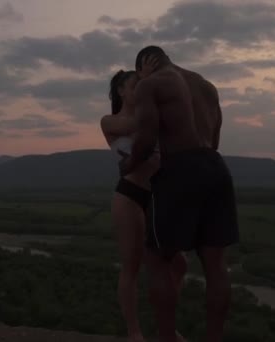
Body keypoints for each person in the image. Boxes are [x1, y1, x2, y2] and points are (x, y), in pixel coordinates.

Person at [119, 46, 239, 342]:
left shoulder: (152, 84)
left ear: (144, 65)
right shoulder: (206, 86)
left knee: (157, 257)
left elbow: (146, 141)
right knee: (216, 265)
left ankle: (166, 338)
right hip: (215, 168)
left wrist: (128, 164)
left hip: (180, 167)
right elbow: (215, 139)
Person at [100, 70, 186, 342]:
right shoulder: (111, 121)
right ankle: (134, 332)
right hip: (129, 195)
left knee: (179, 264)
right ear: (122, 92)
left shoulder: (150, 119)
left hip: (157, 196)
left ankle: (166, 324)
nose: (143, 89)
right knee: (132, 266)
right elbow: (134, 126)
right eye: (137, 85)